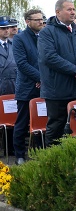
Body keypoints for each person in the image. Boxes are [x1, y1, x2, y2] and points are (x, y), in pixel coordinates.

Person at [38, 0, 76, 147]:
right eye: (69, 9)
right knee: (57, 126)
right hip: (57, 89)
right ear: (58, 12)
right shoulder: (47, 32)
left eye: (74, 9)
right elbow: (49, 57)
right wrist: (75, 70)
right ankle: (51, 162)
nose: (73, 12)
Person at [12, 9, 45, 165]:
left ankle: (40, 152)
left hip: (44, 87)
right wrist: (40, 77)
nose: (41, 22)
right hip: (27, 87)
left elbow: (48, 59)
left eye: (42, 19)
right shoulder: (20, 39)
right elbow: (22, 64)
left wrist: (44, 79)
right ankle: (19, 155)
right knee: (22, 121)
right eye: (37, 19)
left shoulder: (45, 37)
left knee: (42, 120)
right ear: (27, 21)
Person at [0, 16, 17, 95]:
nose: (6, 30)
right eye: (3, 28)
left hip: (13, 86)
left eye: (7, 28)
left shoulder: (15, 44)